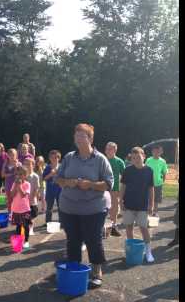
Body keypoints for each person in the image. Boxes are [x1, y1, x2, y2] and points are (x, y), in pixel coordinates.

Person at [55, 123, 114, 289]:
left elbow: (109, 183)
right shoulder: (68, 157)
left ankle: (96, 271)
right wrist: (67, 182)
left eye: (83, 136)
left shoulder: (100, 159)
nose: (79, 138)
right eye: (77, 135)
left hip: (94, 208)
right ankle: (74, 268)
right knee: (73, 240)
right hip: (69, 208)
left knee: (93, 239)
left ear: (90, 138)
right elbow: (57, 179)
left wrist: (91, 185)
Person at [120, 146, 155, 263]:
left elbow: (151, 189)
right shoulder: (127, 170)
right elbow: (123, 186)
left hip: (142, 206)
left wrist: (151, 205)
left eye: (138, 157)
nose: (136, 159)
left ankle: (148, 252)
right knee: (129, 228)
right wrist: (121, 201)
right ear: (131, 159)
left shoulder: (149, 171)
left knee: (143, 229)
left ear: (144, 156)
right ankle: (131, 250)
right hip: (129, 205)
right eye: (133, 158)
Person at [105, 142, 126, 237]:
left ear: (114, 150)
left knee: (114, 209)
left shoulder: (119, 162)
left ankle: (113, 227)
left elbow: (125, 176)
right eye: (106, 148)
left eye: (110, 149)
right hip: (102, 189)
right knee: (102, 208)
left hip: (114, 189)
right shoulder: (102, 160)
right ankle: (102, 228)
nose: (107, 150)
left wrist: (121, 190)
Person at [10, 166, 32, 249]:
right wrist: (16, 186)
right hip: (16, 209)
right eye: (17, 174)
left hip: (25, 209)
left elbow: (23, 195)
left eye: (21, 174)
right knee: (18, 226)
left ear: (25, 175)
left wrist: (19, 186)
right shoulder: (14, 184)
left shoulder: (27, 184)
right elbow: (12, 195)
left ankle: (26, 241)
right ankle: (19, 241)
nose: (19, 176)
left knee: (26, 226)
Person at [145, 145, 168, 216]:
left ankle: (155, 212)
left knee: (156, 199)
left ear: (161, 152)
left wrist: (162, 181)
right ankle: (148, 212)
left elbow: (164, 172)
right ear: (152, 152)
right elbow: (145, 170)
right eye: (155, 151)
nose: (156, 153)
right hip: (148, 183)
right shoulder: (148, 160)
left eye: (158, 152)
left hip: (158, 183)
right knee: (148, 198)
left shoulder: (163, 161)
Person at [43, 150, 62, 224]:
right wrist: (51, 174)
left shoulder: (61, 167)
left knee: (61, 207)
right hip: (50, 191)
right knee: (49, 208)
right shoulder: (48, 167)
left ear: (59, 158)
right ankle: (48, 222)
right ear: (49, 158)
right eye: (52, 157)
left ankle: (62, 221)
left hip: (60, 190)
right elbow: (44, 178)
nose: (54, 159)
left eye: (56, 157)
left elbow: (65, 177)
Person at [2, 148, 22, 214]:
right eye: (10, 155)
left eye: (13, 155)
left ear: (16, 155)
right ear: (7, 155)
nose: (11, 156)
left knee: (17, 200)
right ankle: (10, 214)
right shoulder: (5, 163)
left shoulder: (19, 164)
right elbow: (2, 175)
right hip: (8, 184)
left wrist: (16, 166)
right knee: (9, 201)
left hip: (16, 185)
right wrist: (11, 174)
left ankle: (17, 214)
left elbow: (19, 174)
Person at [23, 157, 40, 236]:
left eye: (28, 164)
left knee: (32, 216)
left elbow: (36, 189)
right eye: (25, 164)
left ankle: (31, 228)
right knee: (25, 216)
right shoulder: (22, 176)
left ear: (33, 165)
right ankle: (26, 228)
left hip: (32, 201)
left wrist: (32, 198)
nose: (26, 166)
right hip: (24, 201)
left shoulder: (35, 176)